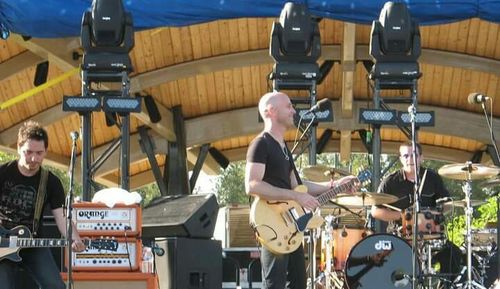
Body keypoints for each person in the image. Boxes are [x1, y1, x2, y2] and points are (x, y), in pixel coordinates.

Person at [245, 91, 357, 289]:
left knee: (298, 284)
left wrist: (335, 186)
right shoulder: (261, 144)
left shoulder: (282, 146)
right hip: (272, 223)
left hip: (291, 228)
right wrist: (296, 195)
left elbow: (297, 184)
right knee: (275, 285)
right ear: (271, 111)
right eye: (288, 106)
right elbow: (252, 185)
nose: (293, 111)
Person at [0, 120, 86, 289]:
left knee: (55, 286)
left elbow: (62, 218)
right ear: (18, 148)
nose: (33, 158)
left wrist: (75, 239)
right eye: (28, 152)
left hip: (32, 243)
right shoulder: (3, 173)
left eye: (39, 153)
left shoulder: (50, 182)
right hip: (2, 242)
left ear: (46, 151)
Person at [371, 142, 463, 288]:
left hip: (431, 236)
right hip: (401, 237)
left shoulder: (432, 178)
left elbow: (447, 204)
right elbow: (375, 211)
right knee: (388, 266)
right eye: (406, 156)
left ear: (421, 158)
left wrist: (434, 213)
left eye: (414, 155)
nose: (410, 159)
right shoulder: (390, 181)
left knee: (454, 255)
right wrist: (402, 216)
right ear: (401, 159)